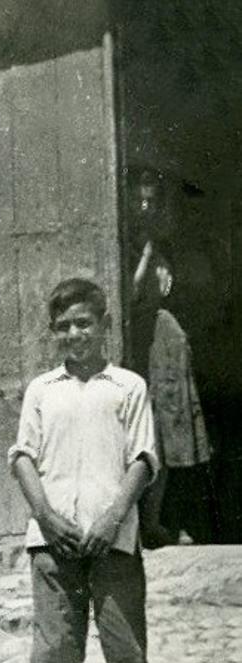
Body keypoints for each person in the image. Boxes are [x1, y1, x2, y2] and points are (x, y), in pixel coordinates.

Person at [9, 277, 187, 663]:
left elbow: (144, 459)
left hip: (114, 541)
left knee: (126, 651)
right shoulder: (42, 389)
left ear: (104, 325)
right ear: (53, 333)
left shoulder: (127, 386)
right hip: (53, 540)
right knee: (55, 653)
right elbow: (22, 457)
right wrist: (45, 516)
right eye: (63, 327)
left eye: (84, 323)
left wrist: (113, 518)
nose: (74, 334)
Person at [127, 169, 213, 547]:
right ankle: (144, 522)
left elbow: (166, 288)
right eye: (140, 200)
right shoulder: (126, 241)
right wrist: (146, 256)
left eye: (151, 200)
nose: (145, 207)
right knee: (142, 431)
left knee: (167, 431)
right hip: (138, 339)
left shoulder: (157, 243)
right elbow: (127, 294)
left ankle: (157, 521)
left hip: (163, 342)